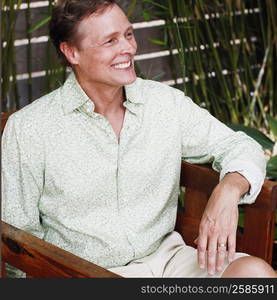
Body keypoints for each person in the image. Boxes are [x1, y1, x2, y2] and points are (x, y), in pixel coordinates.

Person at [2, 0, 276, 278]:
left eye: (128, 34)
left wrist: (228, 189)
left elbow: (240, 145)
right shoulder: (29, 129)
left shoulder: (165, 104)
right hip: (83, 273)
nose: (129, 48)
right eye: (110, 41)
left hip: (169, 261)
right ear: (71, 52)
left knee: (255, 276)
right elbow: (16, 237)